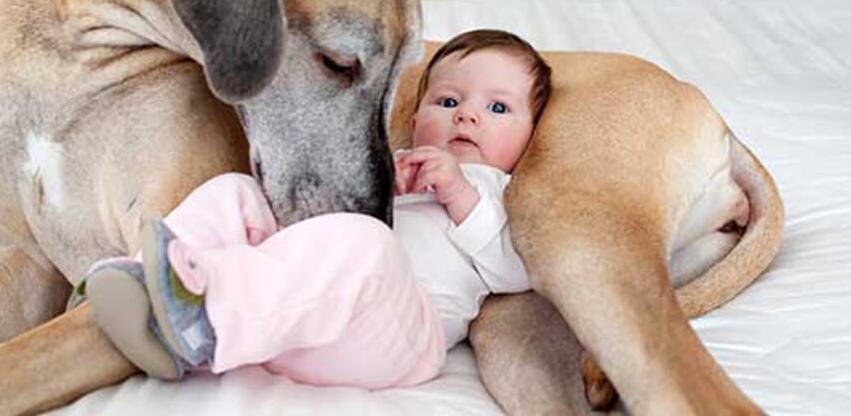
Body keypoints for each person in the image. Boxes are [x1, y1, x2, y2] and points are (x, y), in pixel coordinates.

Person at [79, 29, 552, 388]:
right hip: (300, 325)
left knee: (369, 243)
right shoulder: (394, 163)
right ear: (414, 120)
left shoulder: (500, 191)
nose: (466, 114)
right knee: (238, 191)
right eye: (448, 101)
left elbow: (517, 270)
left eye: (497, 109)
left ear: (532, 133)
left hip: (398, 339)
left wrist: (460, 195)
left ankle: (204, 316)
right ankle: (147, 282)